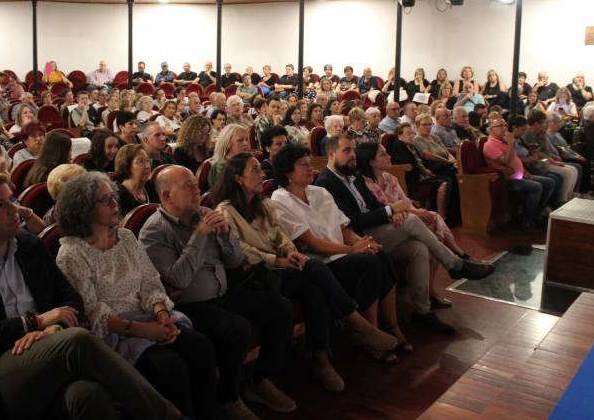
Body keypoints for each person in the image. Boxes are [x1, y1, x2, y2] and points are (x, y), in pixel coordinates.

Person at [0, 171, 181, 420]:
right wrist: (34, 322)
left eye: (12, 200)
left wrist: (53, 329)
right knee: (79, 340)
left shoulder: (28, 246)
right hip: (2, 365)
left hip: (51, 345)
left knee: (89, 395)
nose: (14, 210)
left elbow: (70, 299)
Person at [213, 153, 400, 391]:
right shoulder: (226, 210)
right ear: (238, 179)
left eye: (262, 170)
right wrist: (277, 259)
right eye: (256, 170)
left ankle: (321, 360)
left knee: (314, 289)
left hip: (280, 269)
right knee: (314, 267)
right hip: (256, 276)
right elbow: (241, 250)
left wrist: (289, 251)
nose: (262, 175)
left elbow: (280, 235)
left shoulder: (264, 204)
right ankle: (356, 324)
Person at [53, 172, 216, 418]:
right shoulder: (72, 254)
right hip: (115, 333)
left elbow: (150, 282)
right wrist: (145, 330)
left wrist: (161, 314)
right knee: (169, 368)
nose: (115, 204)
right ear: (83, 209)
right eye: (105, 200)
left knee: (200, 347)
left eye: (113, 197)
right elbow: (93, 313)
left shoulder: (126, 237)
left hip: (149, 316)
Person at [140, 165, 296, 418]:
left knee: (280, 308)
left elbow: (234, 262)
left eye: (195, 183)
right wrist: (200, 236)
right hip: (189, 305)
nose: (197, 189)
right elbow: (178, 280)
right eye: (188, 186)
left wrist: (225, 236)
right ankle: (227, 397)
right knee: (235, 328)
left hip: (223, 294)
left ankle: (259, 379)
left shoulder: (206, 213)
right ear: (167, 196)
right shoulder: (154, 231)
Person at [316, 135, 494, 334]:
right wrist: (390, 211)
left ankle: (422, 311)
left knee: (418, 249)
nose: (352, 156)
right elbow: (351, 221)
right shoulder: (326, 182)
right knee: (412, 221)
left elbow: (373, 205)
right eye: (346, 151)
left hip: (376, 227)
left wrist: (393, 212)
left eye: (353, 150)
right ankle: (454, 264)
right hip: (357, 236)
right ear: (331, 155)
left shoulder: (353, 175)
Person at [270, 144, 411, 347]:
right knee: (369, 263)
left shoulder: (319, 192)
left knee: (380, 254)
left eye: (310, 164)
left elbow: (343, 228)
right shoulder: (280, 200)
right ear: (287, 173)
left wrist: (360, 241)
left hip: (342, 253)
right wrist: (352, 249)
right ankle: (368, 332)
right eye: (303, 165)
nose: (311, 168)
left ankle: (388, 327)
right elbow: (312, 243)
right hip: (322, 262)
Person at [355, 143, 469, 308]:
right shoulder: (363, 183)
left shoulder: (390, 178)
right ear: (371, 162)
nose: (389, 157)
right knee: (427, 224)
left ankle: (423, 304)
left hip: (402, 221)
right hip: (382, 229)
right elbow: (383, 210)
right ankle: (455, 260)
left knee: (424, 240)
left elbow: (405, 202)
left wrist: (414, 210)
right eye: (383, 154)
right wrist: (406, 212)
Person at [483, 118, 555, 231]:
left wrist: (526, 172)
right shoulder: (490, 145)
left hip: (519, 175)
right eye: (500, 126)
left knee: (550, 182)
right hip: (507, 180)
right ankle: (527, 222)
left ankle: (536, 213)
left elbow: (515, 159)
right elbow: (505, 162)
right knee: (536, 186)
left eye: (505, 125)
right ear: (491, 129)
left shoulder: (504, 141)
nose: (505, 128)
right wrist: (511, 143)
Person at [385, 124, 451, 220]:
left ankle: (438, 212)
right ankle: (441, 215)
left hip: (420, 175)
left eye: (412, 133)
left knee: (448, 179)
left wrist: (426, 169)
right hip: (411, 179)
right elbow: (409, 163)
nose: (412, 136)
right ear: (400, 135)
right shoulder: (399, 145)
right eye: (408, 133)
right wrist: (423, 170)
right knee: (443, 184)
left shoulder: (410, 145)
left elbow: (419, 161)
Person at [546, 112, 590, 194]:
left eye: (559, 122)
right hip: (563, 156)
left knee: (585, 161)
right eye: (557, 122)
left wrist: (577, 154)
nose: (559, 124)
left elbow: (566, 147)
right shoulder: (548, 135)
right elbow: (560, 150)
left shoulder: (558, 134)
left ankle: (584, 190)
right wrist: (574, 156)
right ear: (551, 123)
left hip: (568, 154)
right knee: (580, 164)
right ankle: (579, 191)